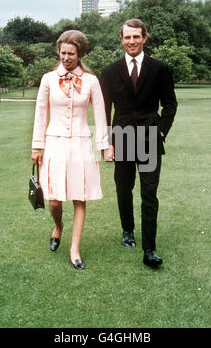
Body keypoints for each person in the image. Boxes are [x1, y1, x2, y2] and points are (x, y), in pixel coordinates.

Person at [100, 19, 177, 269]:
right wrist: (106, 143)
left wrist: (161, 132)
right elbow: (103, 109)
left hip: (149, 139)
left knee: (149, 194)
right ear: (121, 40)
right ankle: (127, 230)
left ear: (144, 38)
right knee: (124, 189)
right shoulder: (110, 71)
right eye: (127, 37)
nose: (131, 41)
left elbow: (170, 104)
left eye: (136, 37)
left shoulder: (159, 68)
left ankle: (150, 248)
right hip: (121, 138)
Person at [31, 30, 109, 270]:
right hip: (54, 143)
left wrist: (103, 145)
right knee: (53, 200)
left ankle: (74, 249)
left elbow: (100, 114)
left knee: (79, 197)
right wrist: (37, 145)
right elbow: (40, 114)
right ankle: (58, 227)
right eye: (63, 53)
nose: (66, 58)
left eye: (71, 54)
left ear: (80, 54)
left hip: (81, 144)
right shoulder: (48, 79)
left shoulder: (91, 81)